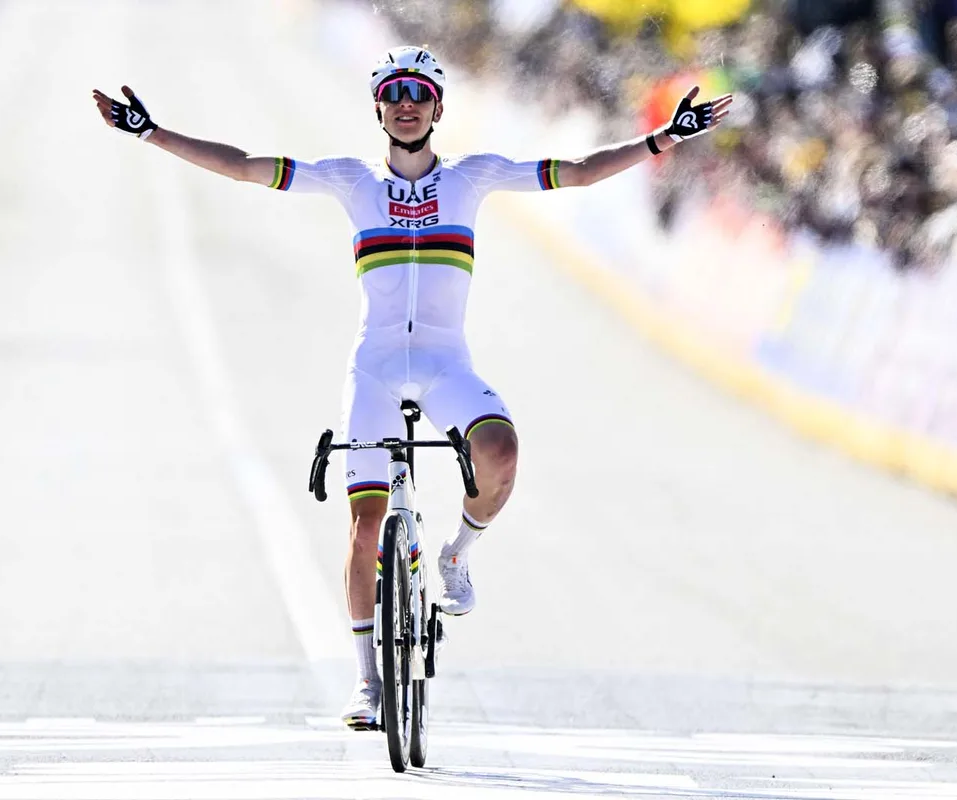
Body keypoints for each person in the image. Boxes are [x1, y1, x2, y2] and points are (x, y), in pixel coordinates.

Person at [93, 46, 731, 729]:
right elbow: (247, 167)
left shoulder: (474, 176)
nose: (406, 103)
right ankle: (367, 683)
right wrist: (149, 132)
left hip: (446, 364)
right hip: (374, 368)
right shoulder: (349, 180)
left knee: (502, 453)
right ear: (378, 107)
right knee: (365, 527)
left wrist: (664, 138)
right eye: (394, 92)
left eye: (418, 93)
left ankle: (457, 553)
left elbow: (575, 173)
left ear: (437, 108)